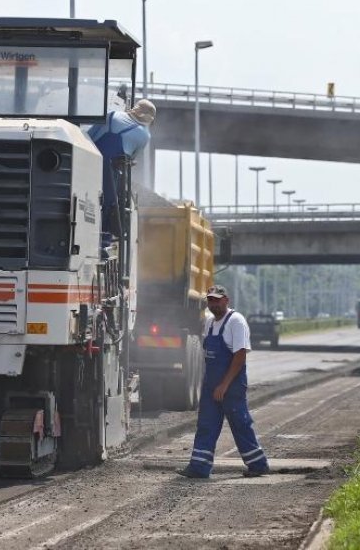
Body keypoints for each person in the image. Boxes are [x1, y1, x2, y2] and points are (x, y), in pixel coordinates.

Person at [177, 285, 270, 479]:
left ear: (226, 300)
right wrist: (212, 385)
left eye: (217, 300)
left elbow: (240, 355)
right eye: (210, 300)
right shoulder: (210, 323)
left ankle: (258, 464)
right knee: (206, 424)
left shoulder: (236, 321)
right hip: (212, 385)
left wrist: (224, 385)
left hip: (232, 385)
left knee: (240, 424)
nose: (213, 304)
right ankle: (199, 467)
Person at [88, 99, 156, 237]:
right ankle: (103, 240)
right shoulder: (144, 136)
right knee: (110, 204)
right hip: (109, 172)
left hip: (87, 160)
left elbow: (89, 136)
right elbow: (130, 159)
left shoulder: (112, 115)